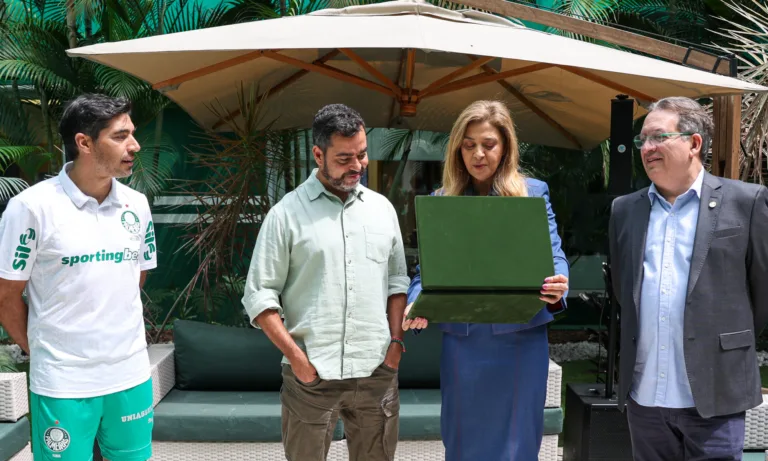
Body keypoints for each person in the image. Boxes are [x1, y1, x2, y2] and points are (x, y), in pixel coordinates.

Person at [402, 100, 570, 461]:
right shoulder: (442, 199)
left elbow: (552, 252)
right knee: (462, 442)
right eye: (468, 145)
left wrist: (559, 281)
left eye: (489, 144)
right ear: (457, 149)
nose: (478, 154)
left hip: (521, 339)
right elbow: (425, 271)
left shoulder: (532, 191)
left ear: (506, 147)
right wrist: (416, 300)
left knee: (518, 445)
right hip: (463, 344)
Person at [242, 103, 410, 461]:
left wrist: (395, 345)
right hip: (311, 380)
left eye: (362, 155)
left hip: (376, 372)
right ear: (318, 154)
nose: (357, 166)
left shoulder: (382, 210)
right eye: (344, 158)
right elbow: (258, 297)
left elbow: (397, 281)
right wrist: (298, 361)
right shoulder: (285, 214)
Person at [608, 96, 768, 461]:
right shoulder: (625, 210)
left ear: (694, 143)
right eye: (642, 141)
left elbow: (762, 293)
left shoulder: (747, 201)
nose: (646, 148)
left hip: (714, 394)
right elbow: (623, 290)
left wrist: (723, 338)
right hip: (645, 398)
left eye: (657, 137)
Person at [0, 94, 157, 461]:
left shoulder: (138, 205)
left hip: (130, 375)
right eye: (120, 136)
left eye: (132, 133)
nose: (134, 146)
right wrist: (43, 352)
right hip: (63, 384)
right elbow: (6, 296)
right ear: (84, 142)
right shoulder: (31, 208)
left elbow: (136, 277)